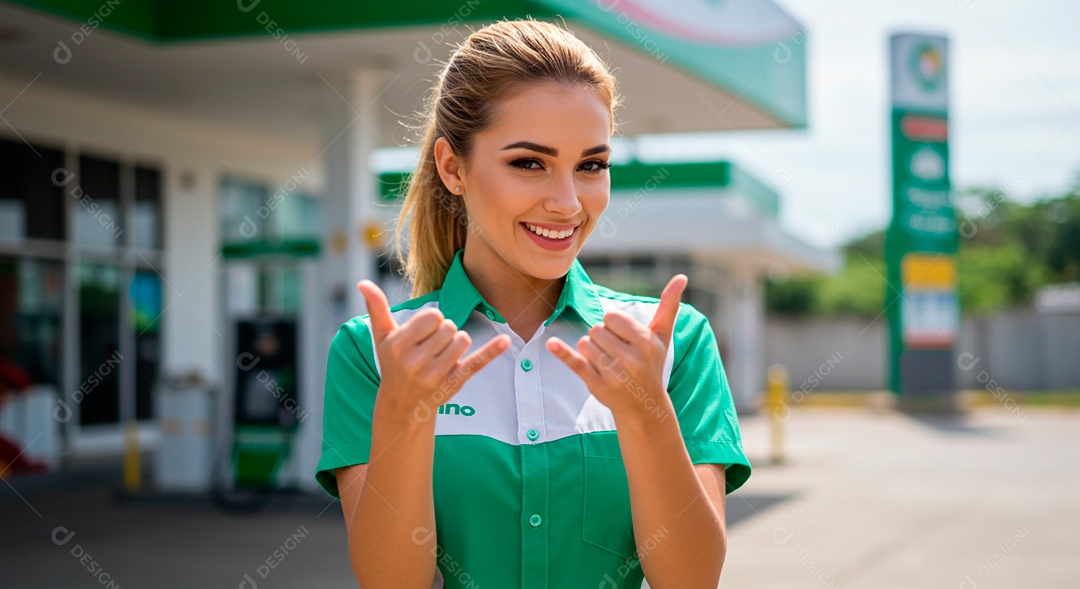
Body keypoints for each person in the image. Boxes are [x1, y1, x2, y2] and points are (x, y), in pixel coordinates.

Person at [315, 18, 751, 589]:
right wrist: (405, 414)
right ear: (454, 168)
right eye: (529, 163)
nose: (567, 203)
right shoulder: (373, 351)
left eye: (591, 165)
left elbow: (692, 581)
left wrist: (646, 415)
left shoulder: (673, 342)